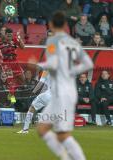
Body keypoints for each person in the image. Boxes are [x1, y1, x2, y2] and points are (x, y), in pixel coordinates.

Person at [36, 11, 93, 160]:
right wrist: (72, 71)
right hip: (61, 92)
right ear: (66, 25)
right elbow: (88, 63)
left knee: (62, 135)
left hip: (62, 94)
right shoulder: (73, 42)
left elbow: (53, 63)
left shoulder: (52, 42)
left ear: (51, 25)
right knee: (42, 128)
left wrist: (38, 64)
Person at [0, 28, 25, 101]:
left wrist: (19, 39)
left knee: (22, 79)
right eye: (8, 35)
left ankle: (11, 92)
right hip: (5, 63)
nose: (10, 37)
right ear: (5, 35)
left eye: (11, 36)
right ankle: (11, 96)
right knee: (10, 80)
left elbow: (23, 47)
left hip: (14, 62)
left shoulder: (14, 39)